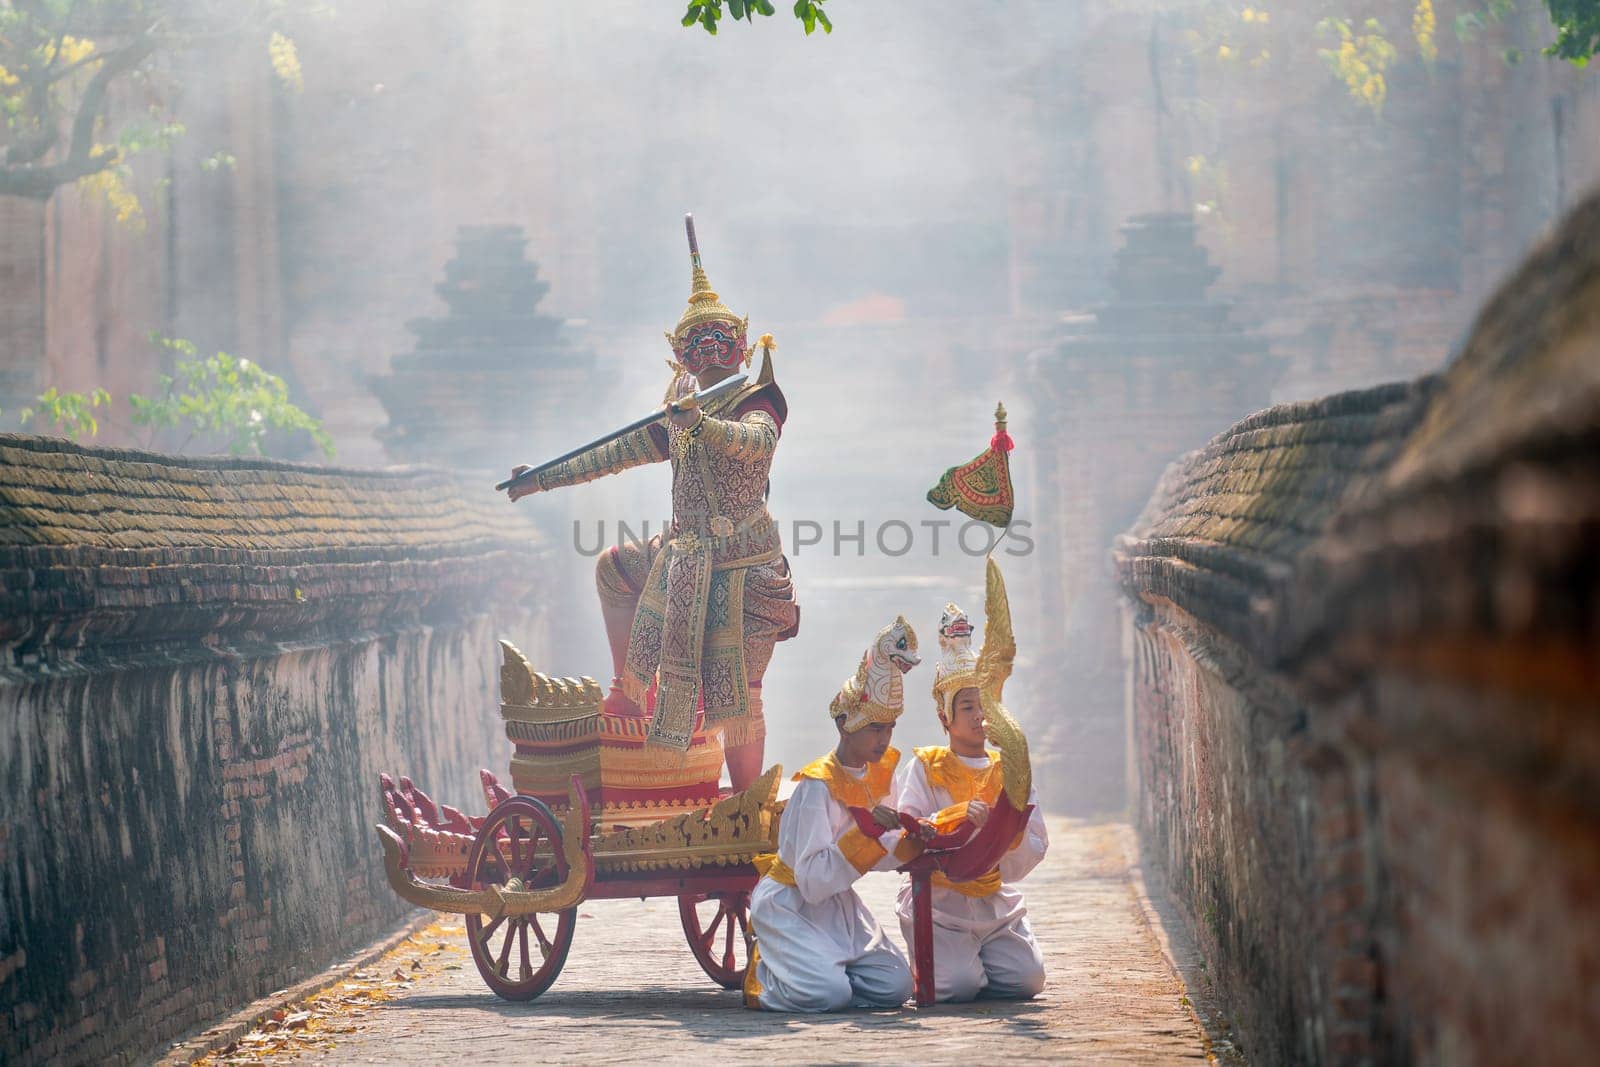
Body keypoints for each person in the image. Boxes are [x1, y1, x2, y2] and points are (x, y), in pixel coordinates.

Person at [506, 216, 796, 789]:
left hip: (746, 571)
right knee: (614, 570)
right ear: (683, 356)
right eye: (697, 345)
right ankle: (627, 691)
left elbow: (756, 444)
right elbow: (612, 454)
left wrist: (703, 423)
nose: (710, 353)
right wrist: (539, 479)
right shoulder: (678, 414)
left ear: (740, 347)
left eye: (719, 342)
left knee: (739, 697)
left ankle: (744, 805)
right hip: (684, 557)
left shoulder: (757, 399)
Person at [744, 617, 924, 1012]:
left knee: (895, 987)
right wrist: (868, 833)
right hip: (792, 904)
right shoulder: (816, 786)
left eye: (889, 728)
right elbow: (810, 881)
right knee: (828, 995)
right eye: (875, 728)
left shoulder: (879, 775)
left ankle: (825, 973)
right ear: (844, 725)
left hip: (838, 904)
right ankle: (766, 975)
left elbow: (882, 849)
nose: (884, 739)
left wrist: (913, 841)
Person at [891, 598, 1048, 1002]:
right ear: (945, 716)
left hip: (993, 898)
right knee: (958, 987)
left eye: (985, 705)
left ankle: (981, 957)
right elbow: (906, 832)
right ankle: (956, 964)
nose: (980, 716)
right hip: (941, 904)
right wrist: (956, 819)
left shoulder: (1007, 767)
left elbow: (1035, 841)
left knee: (1026, 981)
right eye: (967, 706)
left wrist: (1005, 836)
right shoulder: (926, 767)